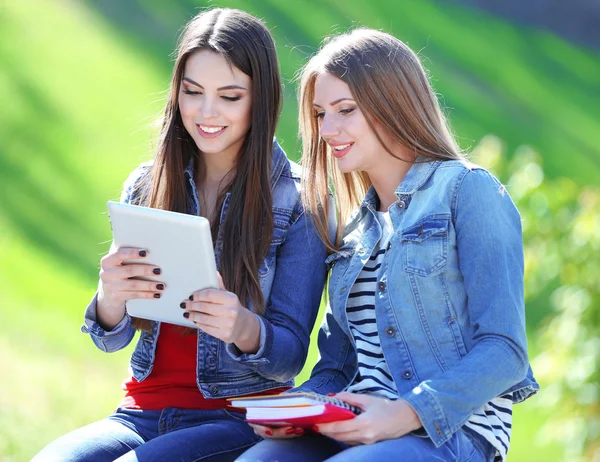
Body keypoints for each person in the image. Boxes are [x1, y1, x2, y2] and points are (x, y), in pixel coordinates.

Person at [32, 8, 328, 462]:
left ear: (261, 100)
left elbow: (289, 356)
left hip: (237, 417)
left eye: (229, 97)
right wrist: (110, 301)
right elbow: (109, 338)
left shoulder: (301, 200)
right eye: (193, 92)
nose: (206, 113)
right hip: (140, 413)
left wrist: (242, 327)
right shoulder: (147, 184)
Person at [237, 28, 539, 462]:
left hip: (448, 432)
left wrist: (405, 412)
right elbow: (337, 369)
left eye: (346, 110)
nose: (328, 129)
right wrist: (293, 410)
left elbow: (505, 349)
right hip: (353, 426)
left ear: (392, 103)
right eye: (321, 114)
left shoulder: (467, 192)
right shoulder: (354, 231)